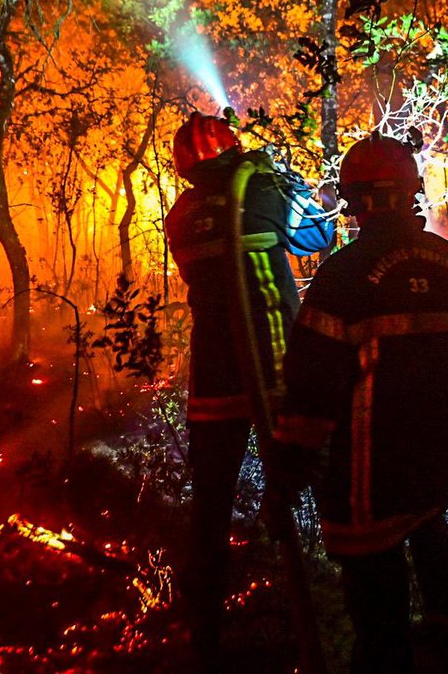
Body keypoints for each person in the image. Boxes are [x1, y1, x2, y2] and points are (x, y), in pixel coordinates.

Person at [272, 131, 448, 674]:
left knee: (379, 626)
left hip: (364, 489)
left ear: (353, 203)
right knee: (434, 549)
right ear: (413, 191)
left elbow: (310, 390)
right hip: (435, 472)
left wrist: (286, 473)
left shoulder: (340, 280)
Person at [164, 111, 329, 671]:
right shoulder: (263, 188)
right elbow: (319, 234)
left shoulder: (179, 214)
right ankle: (325, 597)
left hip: (213, 375)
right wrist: (287, 176)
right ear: (235, 151)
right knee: (314, 466)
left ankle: (203, 631)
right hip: (275, 362)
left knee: (209, 502)